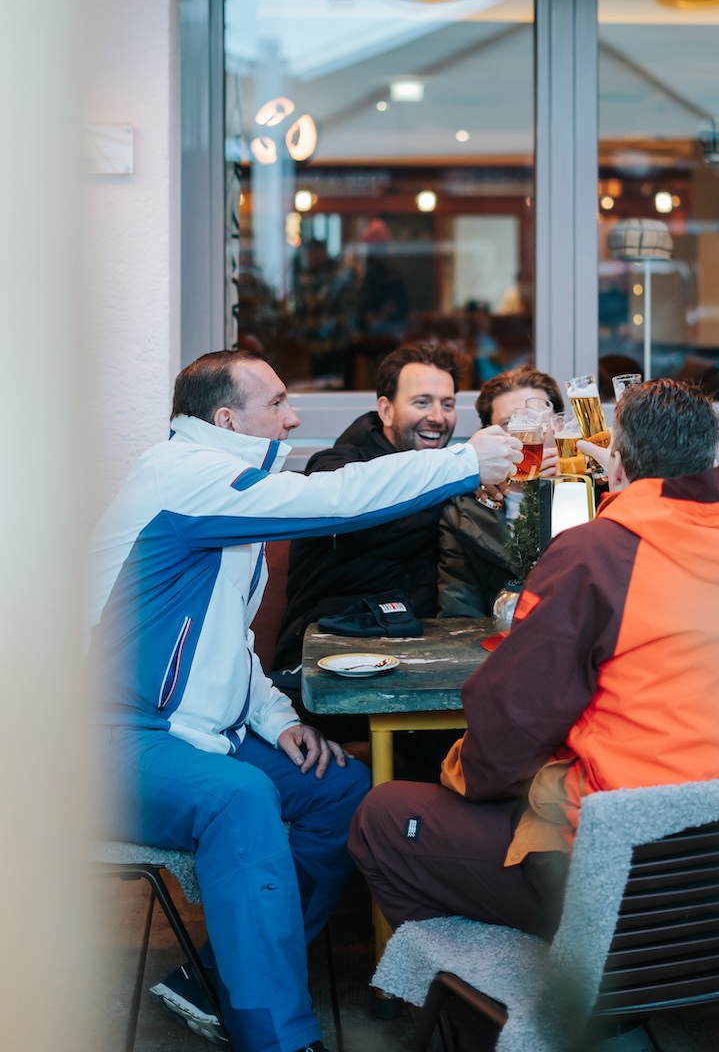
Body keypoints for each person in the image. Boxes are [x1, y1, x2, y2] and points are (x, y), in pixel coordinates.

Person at [88, 349, 520, 1052]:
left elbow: (222, 642)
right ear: (227, 418)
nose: (292, 418)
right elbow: (335, 498)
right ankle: (278, 1037)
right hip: (113, 738)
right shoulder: (185, 480)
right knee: (239, 800)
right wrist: (467, 461)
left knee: (340, 788)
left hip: (194, 731)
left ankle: (224, 981)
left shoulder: (223, 490)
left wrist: (279, 721)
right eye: (278, 404)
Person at [350, 379, 719, 942]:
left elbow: (513, 718)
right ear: (710, 455)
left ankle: (522, 1010)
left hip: (624, 871)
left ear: (615, 463)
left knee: (384, 816)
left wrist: (465, 776)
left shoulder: (599, 552)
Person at [273, 343, 462, 674]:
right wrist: (459, 475)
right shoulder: (337, 467)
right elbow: (360, 497)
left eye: (448, 404)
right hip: (325, 661)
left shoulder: (450, 476)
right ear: (386, 411)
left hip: (414, 653)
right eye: (422, 402)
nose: (437, 417)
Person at [437, 366, 564, 618]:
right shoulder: (464, 511)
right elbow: (459, 613)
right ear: (489, 434)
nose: (529, 434)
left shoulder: (591, 494)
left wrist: (568, 488)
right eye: (512, 423)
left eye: (538, 420)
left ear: (557, 425)